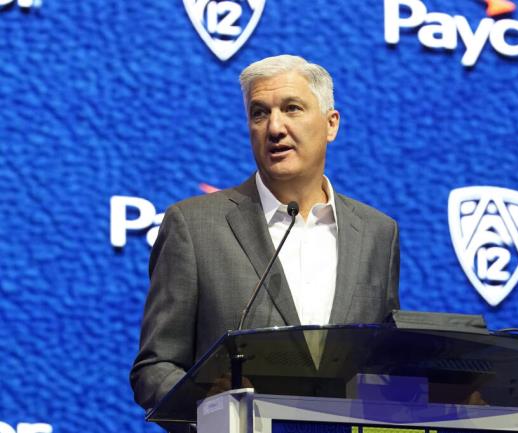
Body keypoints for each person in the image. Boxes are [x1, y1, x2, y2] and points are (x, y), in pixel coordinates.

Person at [130, 55, 400, 428]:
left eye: (292, 108)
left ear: (331, 124)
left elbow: (386, 364)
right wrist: (212, 413)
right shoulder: (194, 227)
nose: (275, 127)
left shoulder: (377, 233)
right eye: (259, 114)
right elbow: (155, 367)